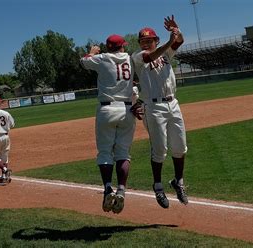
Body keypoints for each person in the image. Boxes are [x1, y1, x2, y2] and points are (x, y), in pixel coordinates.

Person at [131, 15, 188, 208]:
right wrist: (167, 43)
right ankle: (157, 185)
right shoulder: (138, 57)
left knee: (180, 147)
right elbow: (150, 56)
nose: (146, 43)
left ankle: (178, 182)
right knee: (160, 150)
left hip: (173, 104)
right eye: (143, 41)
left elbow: (179, 41)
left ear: (156, 40)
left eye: (150, 40)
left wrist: (176, 31)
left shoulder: (165, 55)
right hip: (153, 107)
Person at [80, 34, 136, 214]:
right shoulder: (129, 58)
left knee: (105, 153)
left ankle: (108, 189)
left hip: (107, 109)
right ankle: (121, 190)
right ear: (121, 47)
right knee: (123, 153)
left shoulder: (102, 58)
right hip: (127, 110)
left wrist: (92, 52)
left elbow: (83, 61)